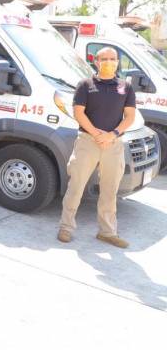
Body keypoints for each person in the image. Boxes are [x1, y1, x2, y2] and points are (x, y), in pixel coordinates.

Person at [58, 46, 135, 248]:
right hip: (87, 142)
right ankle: (66, 227)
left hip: (114, 144)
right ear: (96, 62)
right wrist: (96, 134)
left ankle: (107, 232)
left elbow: (130, 116)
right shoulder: (85, 85)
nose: (109, 62)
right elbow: (79, 113)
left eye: (113, 59)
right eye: (105, 59)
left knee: (110, 190)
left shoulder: (126, 87)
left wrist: (113, 134)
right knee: (76, 187)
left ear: (118, 62)